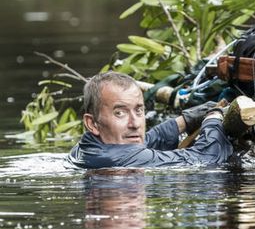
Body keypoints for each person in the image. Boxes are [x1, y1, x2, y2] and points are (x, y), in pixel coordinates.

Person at [67, 71, 233, 168]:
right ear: (92, 123)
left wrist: (187, 119)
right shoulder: (117, 160)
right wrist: (214, 118)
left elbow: (145, 143)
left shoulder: (84, 148)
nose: (135, 124)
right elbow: (206, 158)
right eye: (120, 113)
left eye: (139, 110)